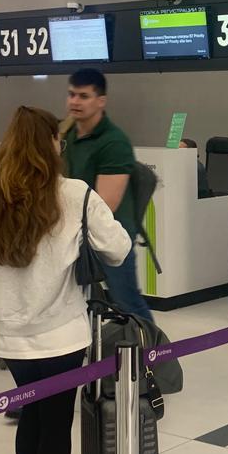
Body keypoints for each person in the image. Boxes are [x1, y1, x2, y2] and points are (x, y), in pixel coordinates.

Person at [0, 107, 131, 454]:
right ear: (51, 146)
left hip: (9, 335)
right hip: (61, 333)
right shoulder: (73, 193)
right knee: (56, 422)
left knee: (32, 415)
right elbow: (118, 248)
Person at [63, 69, 153, 323]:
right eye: (71, 94)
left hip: (111, 235)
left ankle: (153, 345)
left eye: (83, 96)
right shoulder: (68, 135)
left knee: (126, 302)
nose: (75, 101)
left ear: (101, 100)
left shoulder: (114, 142)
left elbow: (106, 205)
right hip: (76, 233)